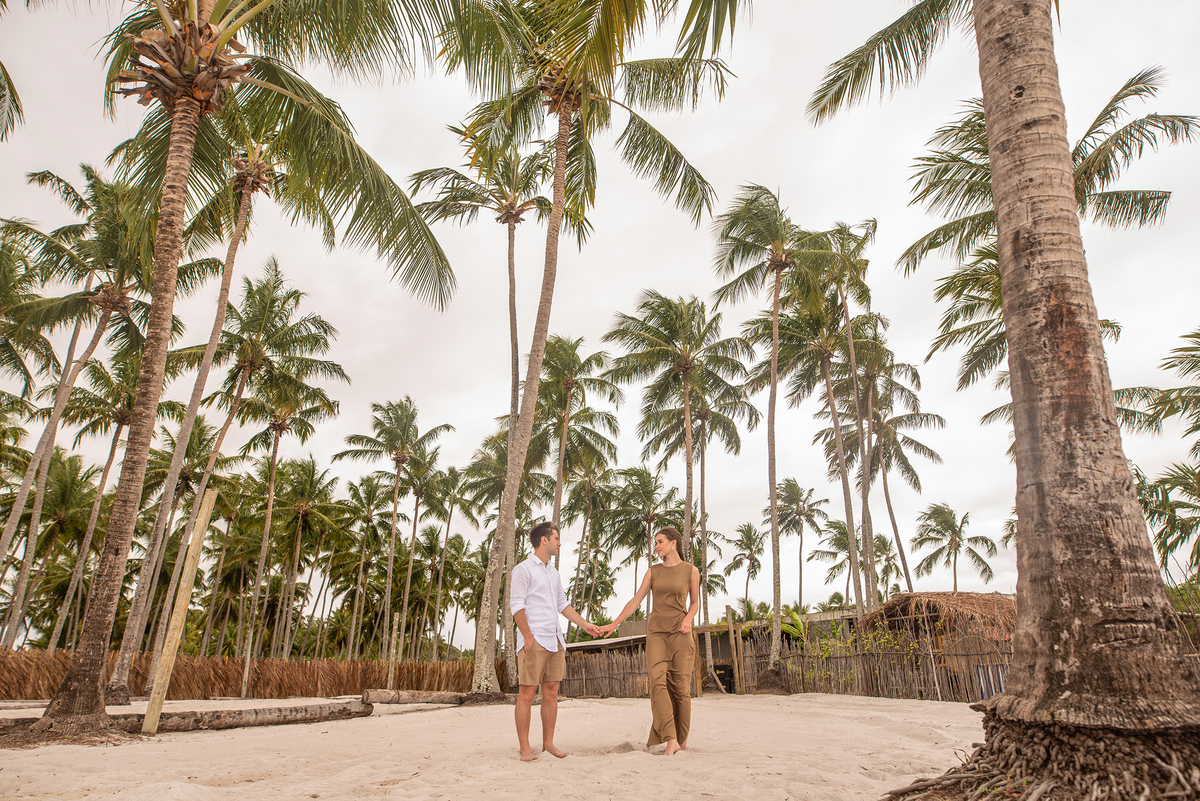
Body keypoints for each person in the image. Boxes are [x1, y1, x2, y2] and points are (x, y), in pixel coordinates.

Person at [599, 527, 700, 755]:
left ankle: (682, 740)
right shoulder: (653, 572)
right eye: (655, 542)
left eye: (660, 541)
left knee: (681, 689)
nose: (656, 546)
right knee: (657, 683)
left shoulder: (691, 571)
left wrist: (689, 619)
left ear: (673, 543)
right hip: (656, 633)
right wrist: (614, 624)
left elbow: (694, 603)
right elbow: (636, 600)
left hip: (681, 634)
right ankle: (671, 738)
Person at [510, 520, 602, 762]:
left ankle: (548, 743)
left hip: (555, 638)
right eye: (556, 538)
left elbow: (563, 605)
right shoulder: (523, 569)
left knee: (551, 692)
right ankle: (524, 748)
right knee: (527, 694)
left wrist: (585, 625)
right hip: (534, 639)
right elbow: (516, 606)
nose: (559, 543)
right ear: (544, 540)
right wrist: (527, 637)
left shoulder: (553, 572)